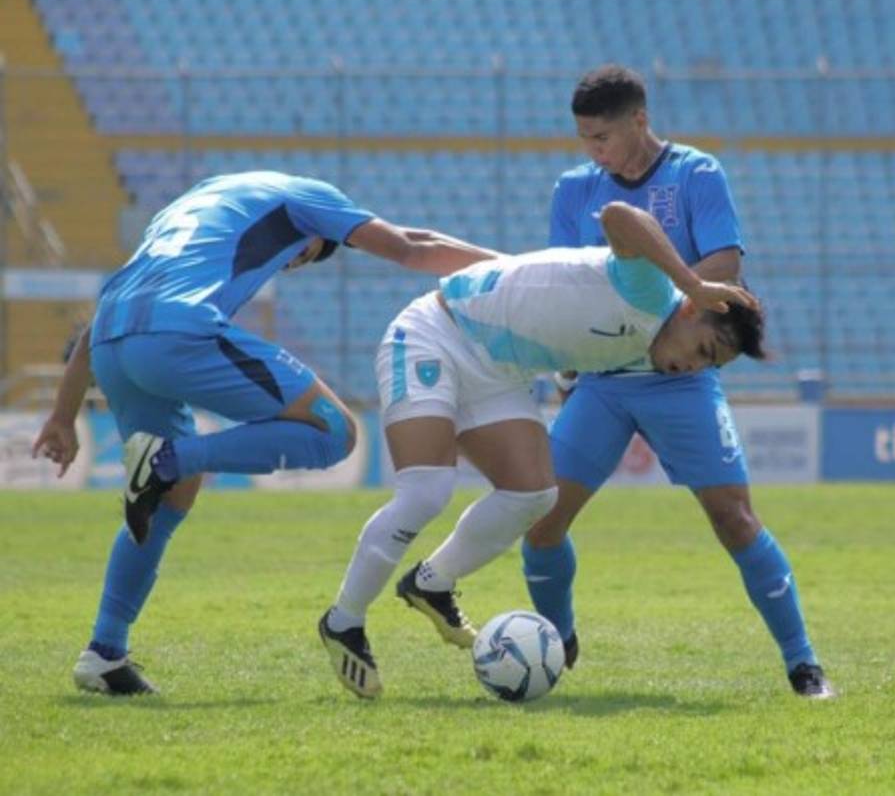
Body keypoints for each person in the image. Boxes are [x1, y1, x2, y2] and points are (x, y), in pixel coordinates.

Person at [32, 170, 496, 695]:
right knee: (332, 432)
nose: (294, 261)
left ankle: (104, 652)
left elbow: (97, 323)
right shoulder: (306, 197)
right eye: (303, 255)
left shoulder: (188, 206)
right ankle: (169, 459)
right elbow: (413, 247)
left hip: (114, 342)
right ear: (318, 234)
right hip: (172, 330)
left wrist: (62, 415)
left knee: (166, 502)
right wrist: (512, 269)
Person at [317, 201, 762, 698]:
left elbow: (571, 327)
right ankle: (343, 622)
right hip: (433, 335)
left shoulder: (652, 343)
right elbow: (619, 215)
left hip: (496, 372)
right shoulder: (653, 290)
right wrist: (692, 279)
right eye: (703, 350)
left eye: (709, 367)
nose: (693, 368)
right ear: (690, 309)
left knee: (533, 495)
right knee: (426, 492)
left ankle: (431, 583)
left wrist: (566, 375)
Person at [520, 64, 830, 697]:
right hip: (603, 381)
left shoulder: (696, 174)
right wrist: (567, 355)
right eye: (584, 139)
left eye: (601, 137)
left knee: (735, 520)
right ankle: (555, 643)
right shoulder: (574, 188)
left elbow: (724, 268)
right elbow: (560, 277)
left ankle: (804, 665)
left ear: (639, 120)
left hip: (679, 379)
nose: (593, 151)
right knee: (541, 520)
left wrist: (645, 313)